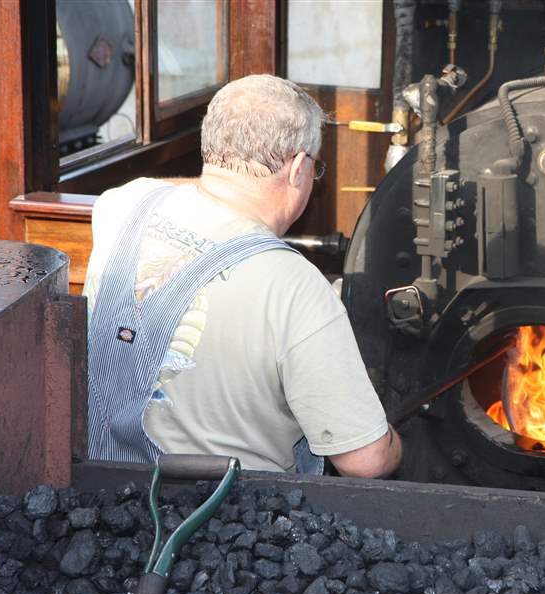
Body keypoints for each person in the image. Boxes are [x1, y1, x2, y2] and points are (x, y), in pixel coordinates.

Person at [83, 74, 402, 478]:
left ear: (211, 146)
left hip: (99, 490)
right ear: (299, 168)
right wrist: (394, 442)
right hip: (230, 521)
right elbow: (365, 462)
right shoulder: (294, 285)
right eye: (315, 168)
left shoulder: (122, 205)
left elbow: (169, 189)